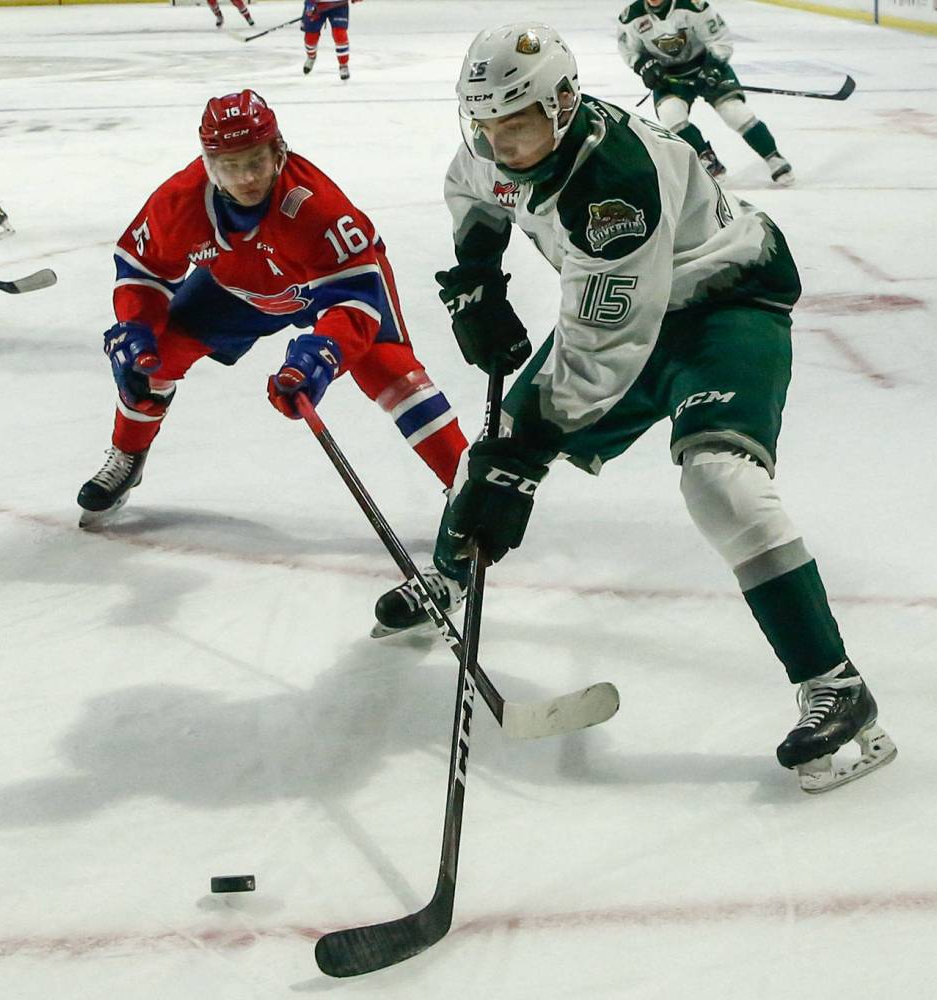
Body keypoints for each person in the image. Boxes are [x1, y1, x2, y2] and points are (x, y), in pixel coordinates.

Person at [373, 23, 895, 791]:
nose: (497, 142)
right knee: (501, 439)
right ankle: (450, 575)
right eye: (482, 124)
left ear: (561, 103)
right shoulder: (493, 145)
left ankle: (835, 684)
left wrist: (518, 465)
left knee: (718, 480)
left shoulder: (612, 182)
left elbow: (601, 351)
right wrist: (476, 276)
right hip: (623, 310)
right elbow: (472, 188)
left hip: (722, 303)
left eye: (513, 124)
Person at [77, 89, 467, 528]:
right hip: (239, 286)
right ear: (209, 165)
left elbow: (354, 300)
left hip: (332, 287)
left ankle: (469, 487)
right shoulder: (181, 200)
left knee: (391, 370)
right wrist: (136, 326)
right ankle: (127, 454)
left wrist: (324, 355)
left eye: (256, 162)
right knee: (152, 359)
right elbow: (142, 270)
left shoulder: (315, 204)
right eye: (231, 166)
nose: (246, 178)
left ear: (278, 152)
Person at [617, 0, 793, 184]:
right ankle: (708, 161)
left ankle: (773, 157)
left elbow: (719, 40)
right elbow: (629, 52)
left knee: (735, 112)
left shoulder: (693, 6)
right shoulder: (631, 17)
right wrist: (645, 67)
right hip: (669, 77)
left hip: (706, 65)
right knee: (671, 115)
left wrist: (712, 68)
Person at [302, 0, 363, 80]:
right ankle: (311, 56)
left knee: (340, 34)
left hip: (339, 5)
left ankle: (343, 65)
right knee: (310, 38)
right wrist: (309, 3)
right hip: (316, 5)